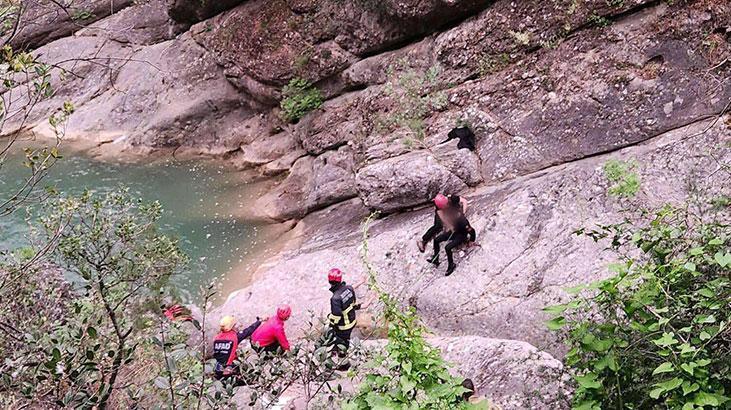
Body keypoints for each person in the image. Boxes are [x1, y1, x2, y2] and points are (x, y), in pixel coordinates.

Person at [429, 198, 476, 276]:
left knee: (448, 247)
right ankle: (436, 259)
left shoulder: (462, 221)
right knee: (436, 240)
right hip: (454, 231)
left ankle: (451, 265)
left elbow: (472, 231)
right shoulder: (450, 211)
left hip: (461, 235)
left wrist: (471, 240)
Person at [212, 315, 262, 380]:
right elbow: (249, 330)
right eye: (235, 325)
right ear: (231, 327)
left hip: (217, 369)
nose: (237, 326)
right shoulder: (235, 337)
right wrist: (259, 321)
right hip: (229, 370)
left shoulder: (217, 338)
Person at [325, 268, 360, 360]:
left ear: (329, 281)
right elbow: (353, 303)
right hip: (352, 320)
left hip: (344, 326)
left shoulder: (335, 298)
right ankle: (338, 353)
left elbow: (336, 316)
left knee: (342, 343)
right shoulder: (348, 288)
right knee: (345, 340)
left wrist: (331, 324)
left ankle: (343, 362)